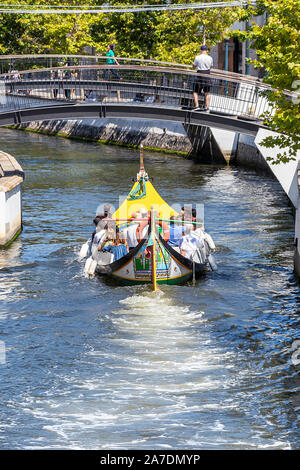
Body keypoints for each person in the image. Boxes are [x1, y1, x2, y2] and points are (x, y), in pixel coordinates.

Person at [192, 44, 213, 112]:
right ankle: (207, 108)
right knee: (207, 92)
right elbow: (210, 67)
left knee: (195, 92)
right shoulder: (210, 58)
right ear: (206, 50)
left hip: (199, 75)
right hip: (207, 75)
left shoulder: (197, 57)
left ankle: (197, 106)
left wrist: (193, 68)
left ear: (201, 50)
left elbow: (194, 66)